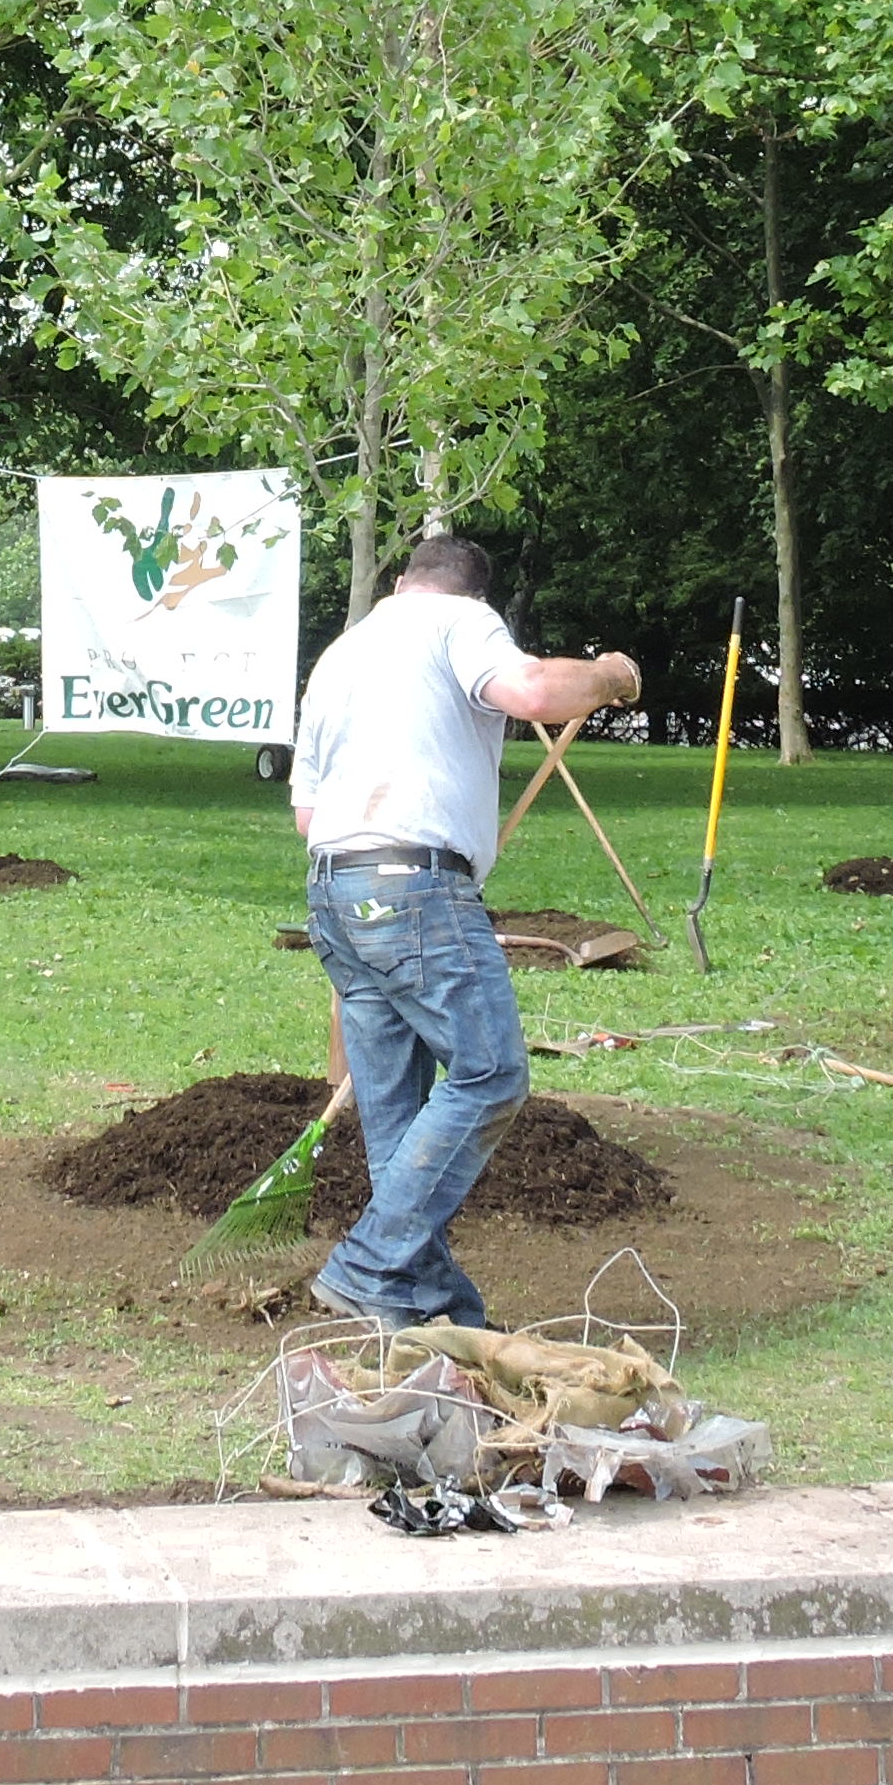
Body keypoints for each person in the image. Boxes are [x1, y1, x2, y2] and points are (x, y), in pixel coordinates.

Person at [285, 536, 642, 1330]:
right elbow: (530, 691)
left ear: (401, 581)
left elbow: (308, 812)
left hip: (335, 893)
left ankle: (431, 1314)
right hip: (414, 889)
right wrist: (613, 678)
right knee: (490, 1074)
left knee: (397, 1125)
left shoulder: (341, 655)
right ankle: (370, 1264)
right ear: (470, 594)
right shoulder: (459, 621)